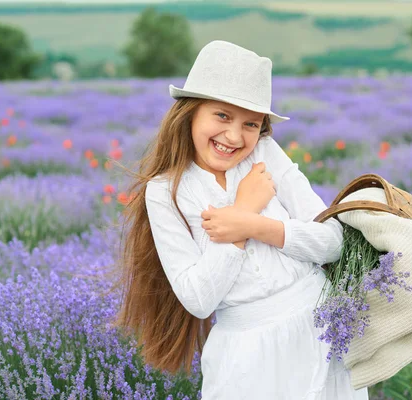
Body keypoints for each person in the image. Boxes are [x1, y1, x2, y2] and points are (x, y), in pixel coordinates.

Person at [113, 40, 369, 399]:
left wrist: (252, 225)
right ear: (190, 113)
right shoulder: (165, 191)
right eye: (221, 116)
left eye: (250, 123)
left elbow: (332, 242)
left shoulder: (264, 153)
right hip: (246, 355)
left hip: (320, 330)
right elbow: (199, 299)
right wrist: (244, 210)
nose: (234, 136)